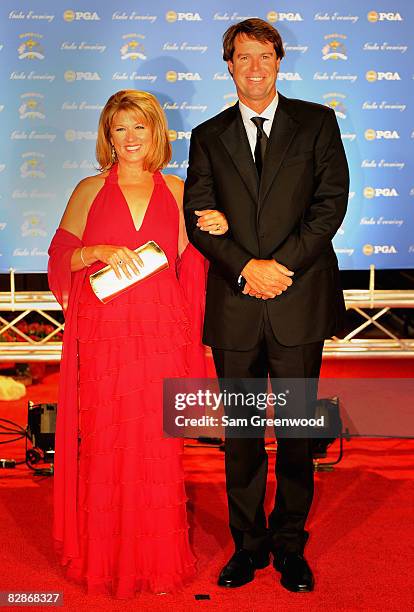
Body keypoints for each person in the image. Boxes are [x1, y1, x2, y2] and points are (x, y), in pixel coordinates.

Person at [184, 19, 349, 593]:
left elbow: (330, 205)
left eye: (265, 56)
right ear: (228, 65)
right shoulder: (206, 136)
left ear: (280, 62)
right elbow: (198, 216)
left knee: (299, 432)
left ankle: (290, 545)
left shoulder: (318, 123)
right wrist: (244, 267)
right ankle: (248, 545)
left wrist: (281, 269)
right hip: (236, 301)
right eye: (243, 57)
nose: (255, 67)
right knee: (244, 434)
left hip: (298, 297)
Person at [48, 89, 228, 598]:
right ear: (108, 135)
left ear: (157, 134)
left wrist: (215, 226)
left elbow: (191, 259)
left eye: (139, 128)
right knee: (105, 445)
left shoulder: (175, 188)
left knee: (157, 452)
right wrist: (96, 250)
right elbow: (61, 256)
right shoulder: (88, 189)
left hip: (159, 333)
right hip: (105, 338)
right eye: (119, 129)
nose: (129, 138)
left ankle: (156, 560)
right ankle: (105, 558)